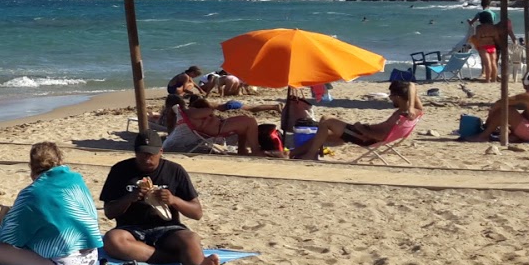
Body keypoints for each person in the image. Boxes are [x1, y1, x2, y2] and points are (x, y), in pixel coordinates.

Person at [100, 132, 219, 265]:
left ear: (161, 152)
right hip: (131, 228)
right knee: (113, 240)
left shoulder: (174, 170)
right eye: (143, 154)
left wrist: (173, 200)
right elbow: (109, 212)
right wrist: (129, 198)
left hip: (167, 229)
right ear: (135, 153)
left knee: (191, 238)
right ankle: (174, 256)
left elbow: (197, 213)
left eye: (152, 154)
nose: (147, 159)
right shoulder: (120, 170)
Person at [290, 80, 422, 160]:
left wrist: (361, 128)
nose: (390, 98)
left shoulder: (403, 115)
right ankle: (292, 153)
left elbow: (379, 135)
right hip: (366, 133)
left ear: (398, 97)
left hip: (365, 137)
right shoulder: (414, 111)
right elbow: (411, 85)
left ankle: (310, 156)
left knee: (326, 120)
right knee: (324, 134)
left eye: (391, 96)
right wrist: (410, 106)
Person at [181, 96, 268, 156]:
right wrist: (210, 107)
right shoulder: (192, 112)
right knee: (250, 121)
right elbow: (209, 111)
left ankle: (242, 150)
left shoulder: (190, 113)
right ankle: (255, 149)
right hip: (218, 128)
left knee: (244, 125)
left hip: (219, 126)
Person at [475, 71, 529, 143]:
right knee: (509, 112)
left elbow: (501, 102)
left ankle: (483, 136)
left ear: (527, 82)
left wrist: (488, 121)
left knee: (506, 111)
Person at [468, 12, 514, 83]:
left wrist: (472, 39)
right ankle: (493, 79)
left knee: (487, 64)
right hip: (492, 46)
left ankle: (487, 79)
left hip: (483, 47)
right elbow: (497, 38)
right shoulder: (493, 27)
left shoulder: (479, 28)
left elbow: (477, 38)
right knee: (493, 63)